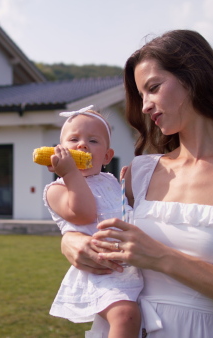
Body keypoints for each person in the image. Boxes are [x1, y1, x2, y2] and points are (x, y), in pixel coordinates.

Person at [60, 30, 213, 337]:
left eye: (154, 88)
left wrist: (161, 257)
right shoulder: (139, 173)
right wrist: (71, 242)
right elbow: (89, 220)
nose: (145, 106)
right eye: (141, 95)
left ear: (193, 77)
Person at [44, 105, 144, 338]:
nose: (82, 145)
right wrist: (70, 173)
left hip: (132, 265)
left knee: (141, 319)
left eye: (93, 141)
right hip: (101, 270)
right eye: (73, 139)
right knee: (125, 315)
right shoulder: (57, 189)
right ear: (58, 151)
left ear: (107, 156)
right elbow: (85, 214)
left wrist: (129, 184)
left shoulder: (111, 182)